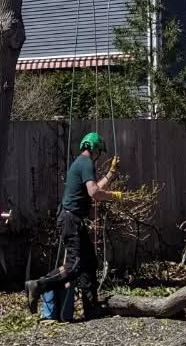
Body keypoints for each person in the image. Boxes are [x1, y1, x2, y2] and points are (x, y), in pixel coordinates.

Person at [25, 131, 122, 316]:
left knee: (89, 262)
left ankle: (91, 307)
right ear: (94, 149)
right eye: (99, 151)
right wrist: (114, 196)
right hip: (71, 219)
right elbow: (94, 193)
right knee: (74, 265)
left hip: (72, 219)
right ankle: (38, 285)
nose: (98, 155)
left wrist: (110, 174)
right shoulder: (86, 163)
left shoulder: (80, 163)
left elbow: (92, 188)